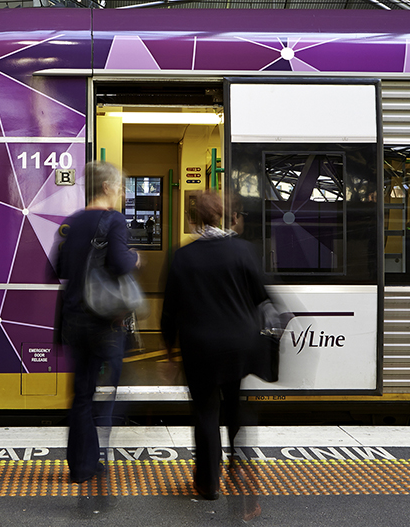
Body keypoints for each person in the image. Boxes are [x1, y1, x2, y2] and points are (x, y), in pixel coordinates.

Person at [161, 191, 269, 501]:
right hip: (239, 345)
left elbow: (169, 310)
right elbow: (261, 296)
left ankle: (208, 483)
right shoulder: (244, 251)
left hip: (200, 349)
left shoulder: (183, 256)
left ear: (194, 219)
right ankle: (238, 460)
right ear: (226, 217)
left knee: (206, 413)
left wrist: (169, 352)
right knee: (234, 403)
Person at [56, 161, 140, 484]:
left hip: (73, 319)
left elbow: (59, 268)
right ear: (106, 187)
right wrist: (134, 257)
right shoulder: (114, 220)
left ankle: (81, 466)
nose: (120, 194)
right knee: (113, 389)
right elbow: (120, 265)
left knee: (81, 394)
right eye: (119, 188)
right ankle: (99, 455)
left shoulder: (72, 223)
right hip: (103, 321)